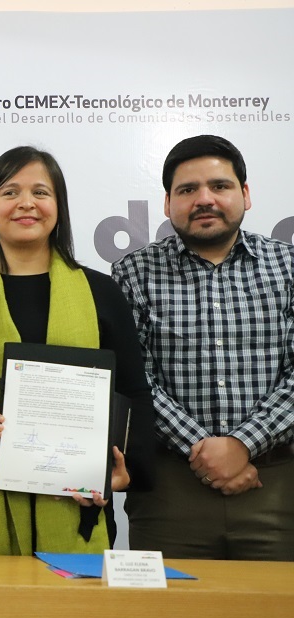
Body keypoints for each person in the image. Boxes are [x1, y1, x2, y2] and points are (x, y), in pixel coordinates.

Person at [0, 146, 154, 556]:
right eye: (10, 192)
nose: (26, 203)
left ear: (58, 207)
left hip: (78, 503)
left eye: (40, 192)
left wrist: (120, 470)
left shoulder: (100, 292)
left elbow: (133, 391)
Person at [112, 135, 294, 560]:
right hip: (169, 492)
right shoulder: (133, 272)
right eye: (188, 190)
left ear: (245, 194)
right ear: (167, 203)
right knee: (171, 605)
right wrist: (205, 450)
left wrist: (244, 444)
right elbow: (134, 378)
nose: (204, 199)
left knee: (275, 605)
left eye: (220, 186)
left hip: (277, 484)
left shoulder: (289, 267)